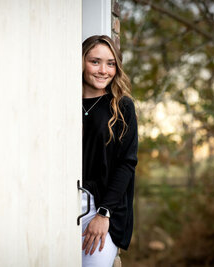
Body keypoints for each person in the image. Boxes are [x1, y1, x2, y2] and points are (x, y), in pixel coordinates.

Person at [81, 35, 138, 267]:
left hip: (100, 208)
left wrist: (104, 214)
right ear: (81, 62)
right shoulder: (60, 100)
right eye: (95, 61)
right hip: (60, 203)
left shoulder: (122, 106)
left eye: (111, 63)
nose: (103, 70)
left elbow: (127, 163)